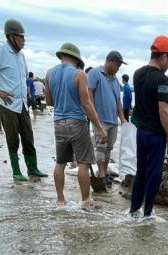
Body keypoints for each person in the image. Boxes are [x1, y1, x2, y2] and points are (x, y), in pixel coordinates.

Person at [0, 19, 47, 181]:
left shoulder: (21, 56)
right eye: (21, 37)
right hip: (8, 104)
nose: (24, 40)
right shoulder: (0, 52)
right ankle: (16, 171)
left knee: (28, 138)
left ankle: (32, 168)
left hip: (22, 104)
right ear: (12, 37)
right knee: (13, 139)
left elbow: (22, 79)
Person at [45, 43, 107, 209]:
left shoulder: (50, 73)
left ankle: (60, 201)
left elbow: (49, 101)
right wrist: (100, 128)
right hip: (77, 123)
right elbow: (86, 104)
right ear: (76, 59)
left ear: (62, 56)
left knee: (61, 162)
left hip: (59, 123)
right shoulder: (79, 74)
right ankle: (86, 200)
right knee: (83, 164)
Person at [129, 35, 168, 217]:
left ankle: (133, 211)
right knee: (154, 175)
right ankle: (148, 214)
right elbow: (164, 112)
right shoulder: (161, 80)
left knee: (141, 173)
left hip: (141, 133)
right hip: (155, 136)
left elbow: (142, 102)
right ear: (164, 57)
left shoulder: (138, 74)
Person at [87, 51, 127, 187]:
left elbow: (118, 101)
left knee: (109, 147)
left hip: (113, 120)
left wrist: (122, 119)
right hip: (101, 119)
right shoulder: (94, 73)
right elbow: (89, 95)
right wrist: (94, 116)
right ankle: (102, 174)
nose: (118, 68)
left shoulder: (116, 80)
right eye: (117, 65)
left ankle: (103, 172)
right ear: (109, 61)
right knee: (100, 146)